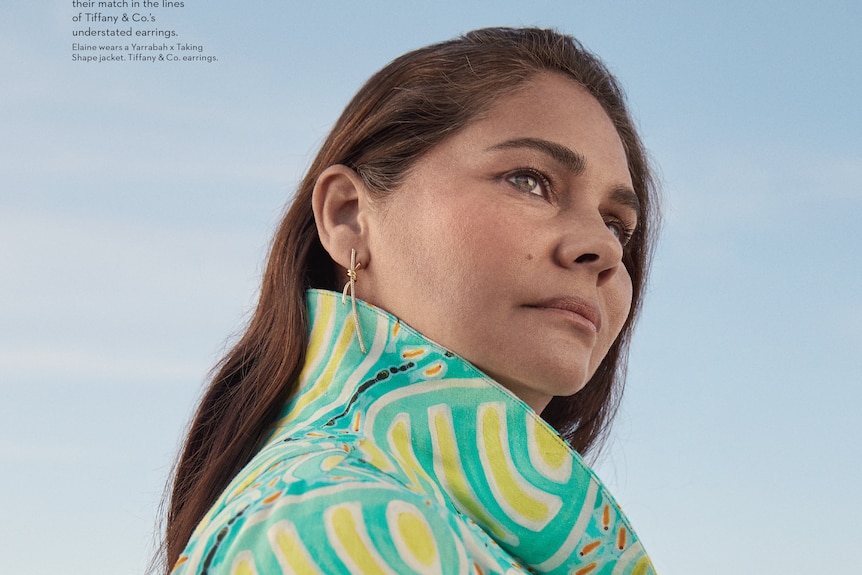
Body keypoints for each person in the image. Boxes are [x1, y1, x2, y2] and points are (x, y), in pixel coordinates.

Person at [163, 27, 660, 575]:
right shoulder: (343, 526)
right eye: (529, 180)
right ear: (349, 215)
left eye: (618, 225)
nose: (602, 248)